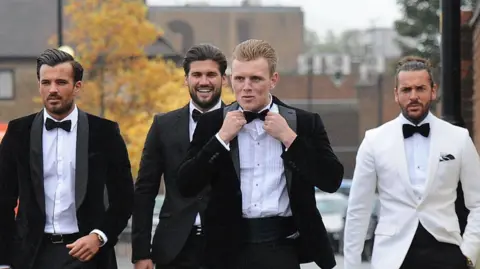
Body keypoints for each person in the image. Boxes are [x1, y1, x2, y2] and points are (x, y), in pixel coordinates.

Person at [176, 39, 344, 269]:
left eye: (255, 79)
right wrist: (220, 139)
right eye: (239, 78)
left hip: (283, 244)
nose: (246, 86)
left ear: (273, 80)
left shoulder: (304, 122)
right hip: (227, 250)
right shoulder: (212, 123)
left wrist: (290, 139)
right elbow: (185, 184)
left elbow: (332, 179)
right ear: (230, 79)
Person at [0, 48, 134, 269]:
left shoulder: (105, 132)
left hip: (89, 255)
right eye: (46, 82)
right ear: (39, 85)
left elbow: (124, 197)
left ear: (77, 86)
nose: (52, 89)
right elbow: (3, 199)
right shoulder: (18, 132)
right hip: (31, 256)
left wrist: (99, 236)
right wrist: (4, 261)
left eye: (61, 82)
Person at [343, 56, 480, 269]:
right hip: (392, 256)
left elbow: (478, 202)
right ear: (396, 95)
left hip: (447, 253)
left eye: (420, 88)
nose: (413, 96)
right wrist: (351, 265)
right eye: (406, 90)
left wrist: (469, 252)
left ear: (433, 91)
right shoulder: (374, 140)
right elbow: (358, 208)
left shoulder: (459, 138)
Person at [131, 44, 228, 269]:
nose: (204, 81)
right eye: (197, 75)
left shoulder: (241, 122)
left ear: (224, 79)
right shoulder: (163, 125)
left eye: (211, 74)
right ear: (186, 79)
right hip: (174, 249)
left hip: (228, 247)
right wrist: (141, 253)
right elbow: (145, 190)